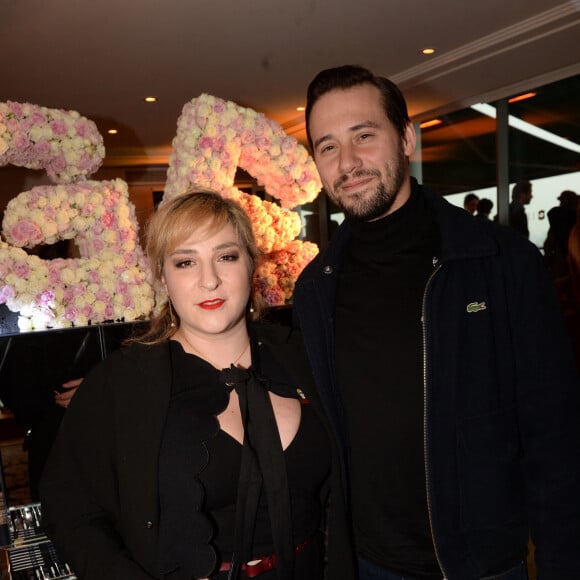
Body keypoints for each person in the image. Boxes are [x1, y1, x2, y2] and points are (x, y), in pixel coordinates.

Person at [292, 64, 580, 580]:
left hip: (480, 564)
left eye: (364, 135)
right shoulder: (315, 289)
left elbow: (555, 434)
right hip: (363, 565)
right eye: (327, 146)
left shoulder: (500, 262)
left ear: (405, 137)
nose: (348, 162)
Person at [40, 189, 354, 580]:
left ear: (251, 265)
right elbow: (71, 509)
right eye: (186, 262)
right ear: (162, 276)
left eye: (226, 256)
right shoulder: (120, 384)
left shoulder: (303, 358)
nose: (210, 281)